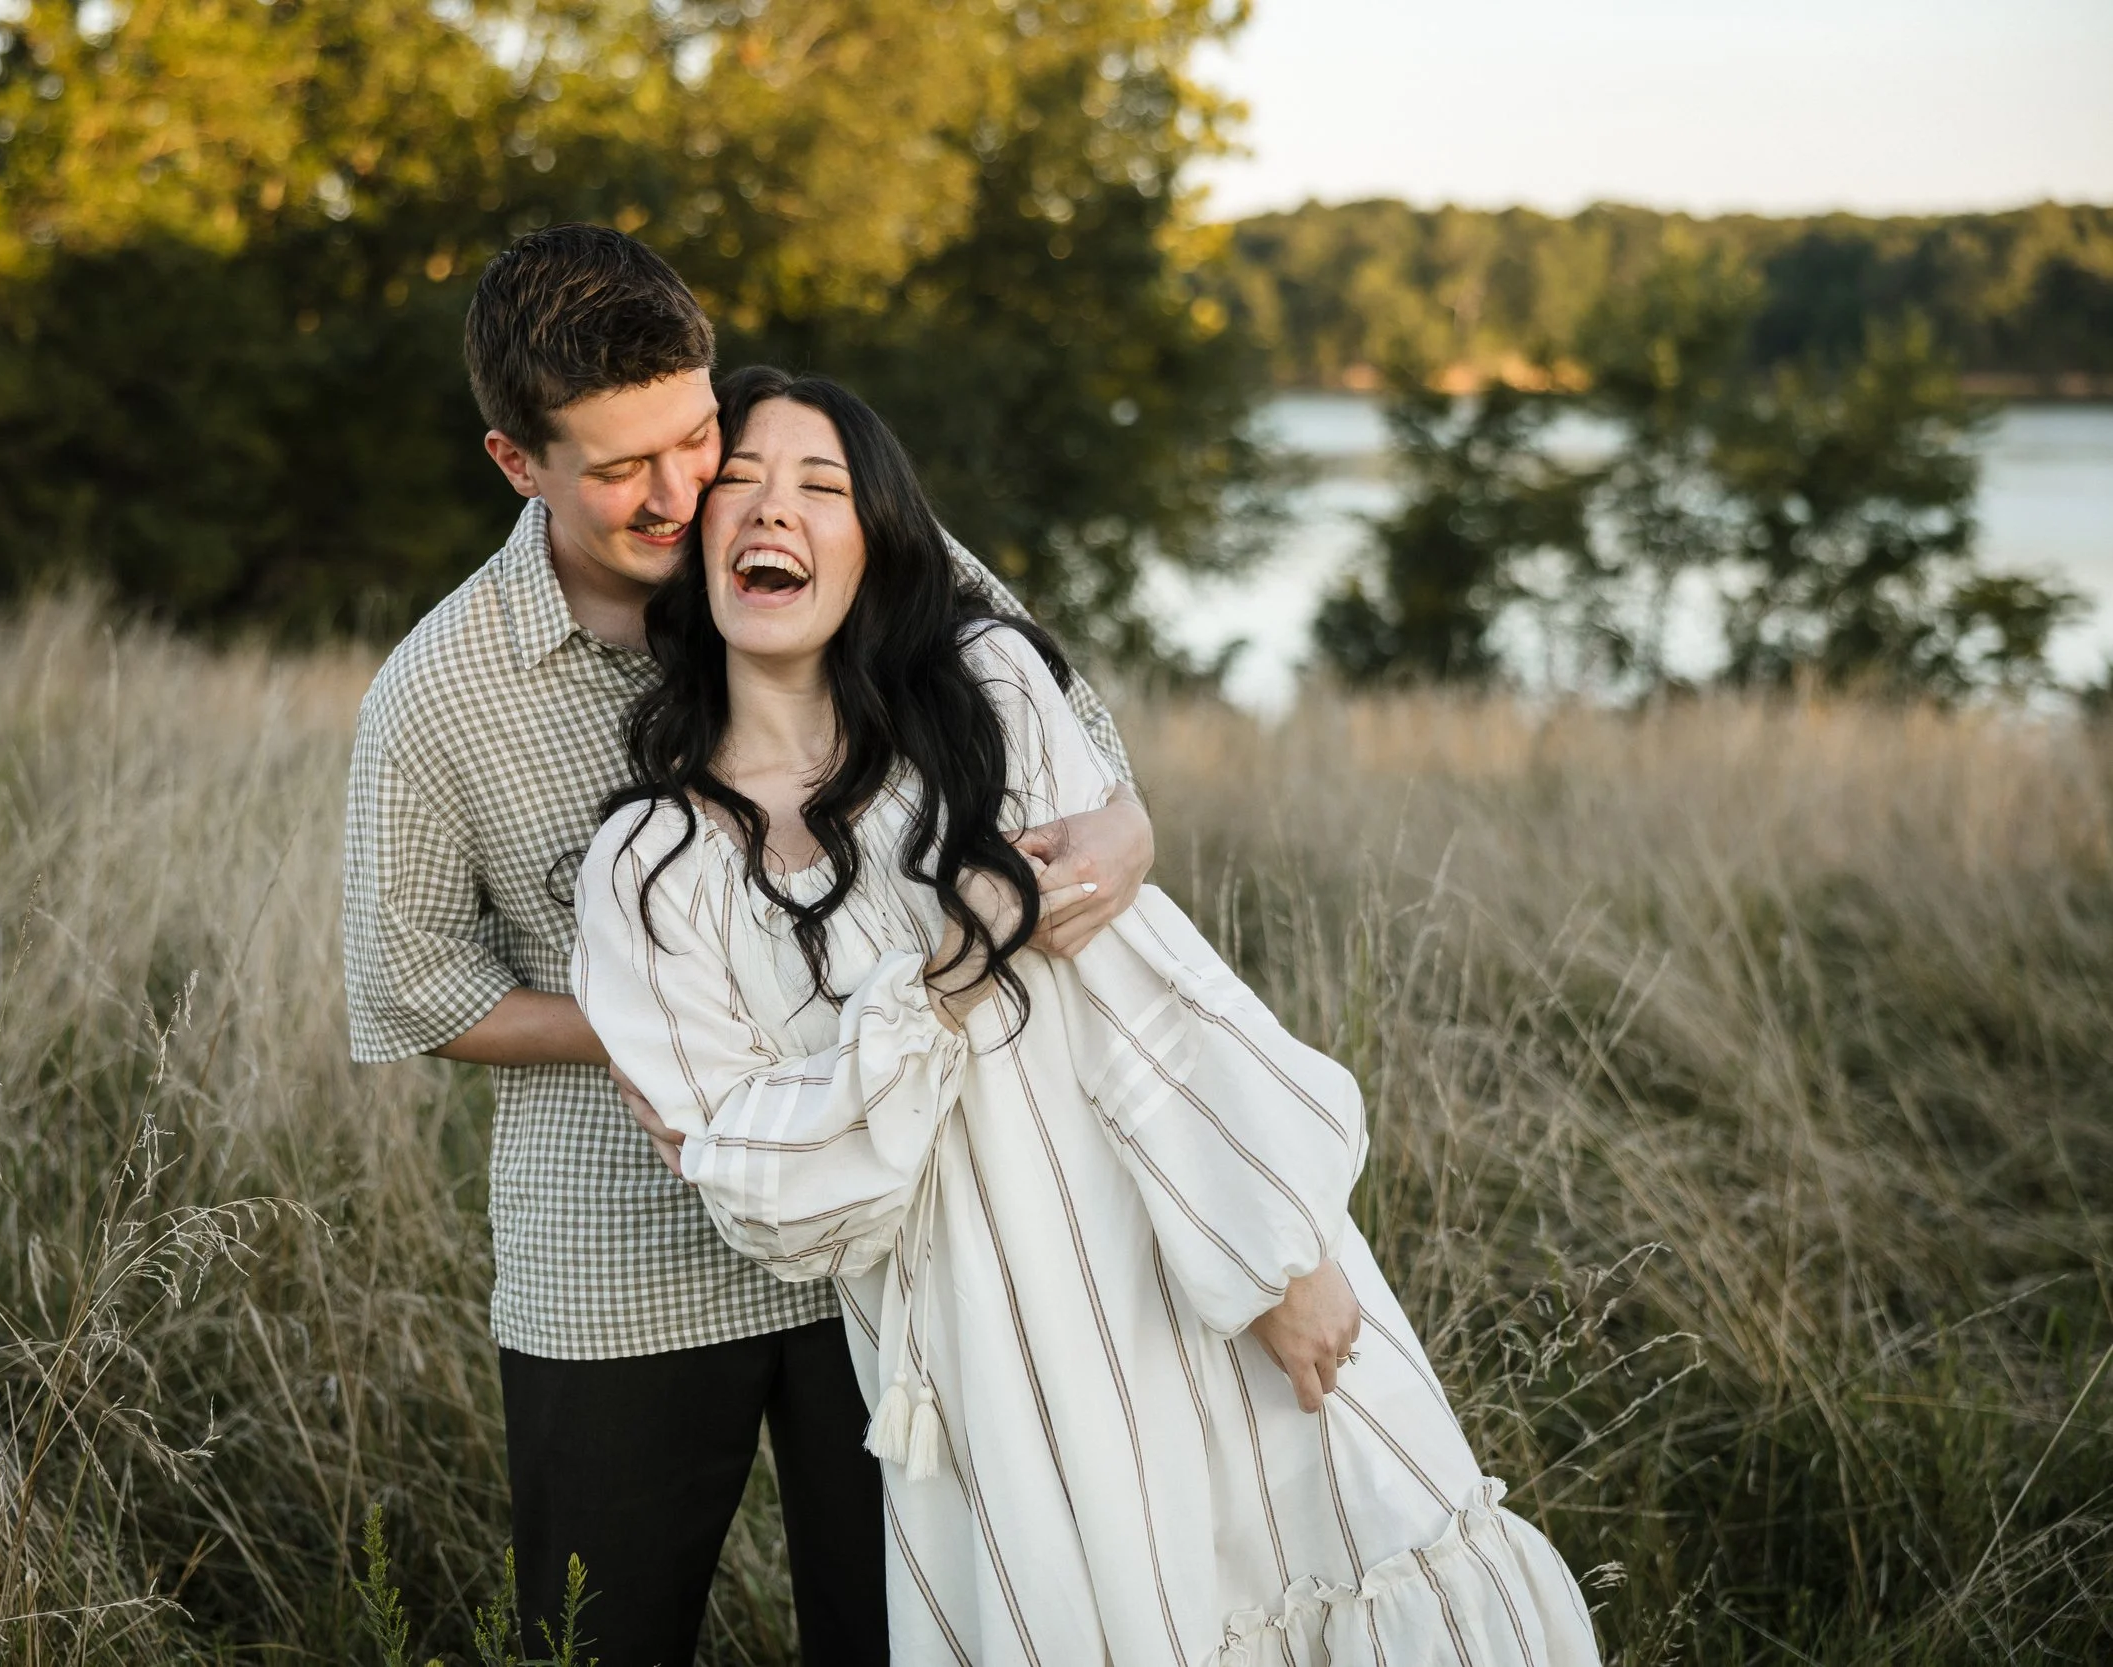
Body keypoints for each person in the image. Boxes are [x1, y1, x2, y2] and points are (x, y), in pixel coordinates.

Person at [572, 366, 1606, 1666]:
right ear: (698, 543)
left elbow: (1152, 994)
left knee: (1342, 1581)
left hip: (1187, 1254)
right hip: (976, 1355)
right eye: (741, 483)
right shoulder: (651, 865)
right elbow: (768, 1193)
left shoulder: (986, 697)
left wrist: (1286, 1250)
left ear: (877, 541)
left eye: (820, 485)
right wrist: (934, 992)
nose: (772, 507)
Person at [341, 225, 1156, 1666]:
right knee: (600, 1639)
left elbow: (1067, 732)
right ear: (515, 462)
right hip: (617, 1251)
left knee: (904, 1626)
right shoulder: (436, 694)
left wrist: (1124, 836)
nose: (682, 493)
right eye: (618, 468)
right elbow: (414, 989)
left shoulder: (798, 509)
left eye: (693, 432)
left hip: (903, 1212)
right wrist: (690, 1017)